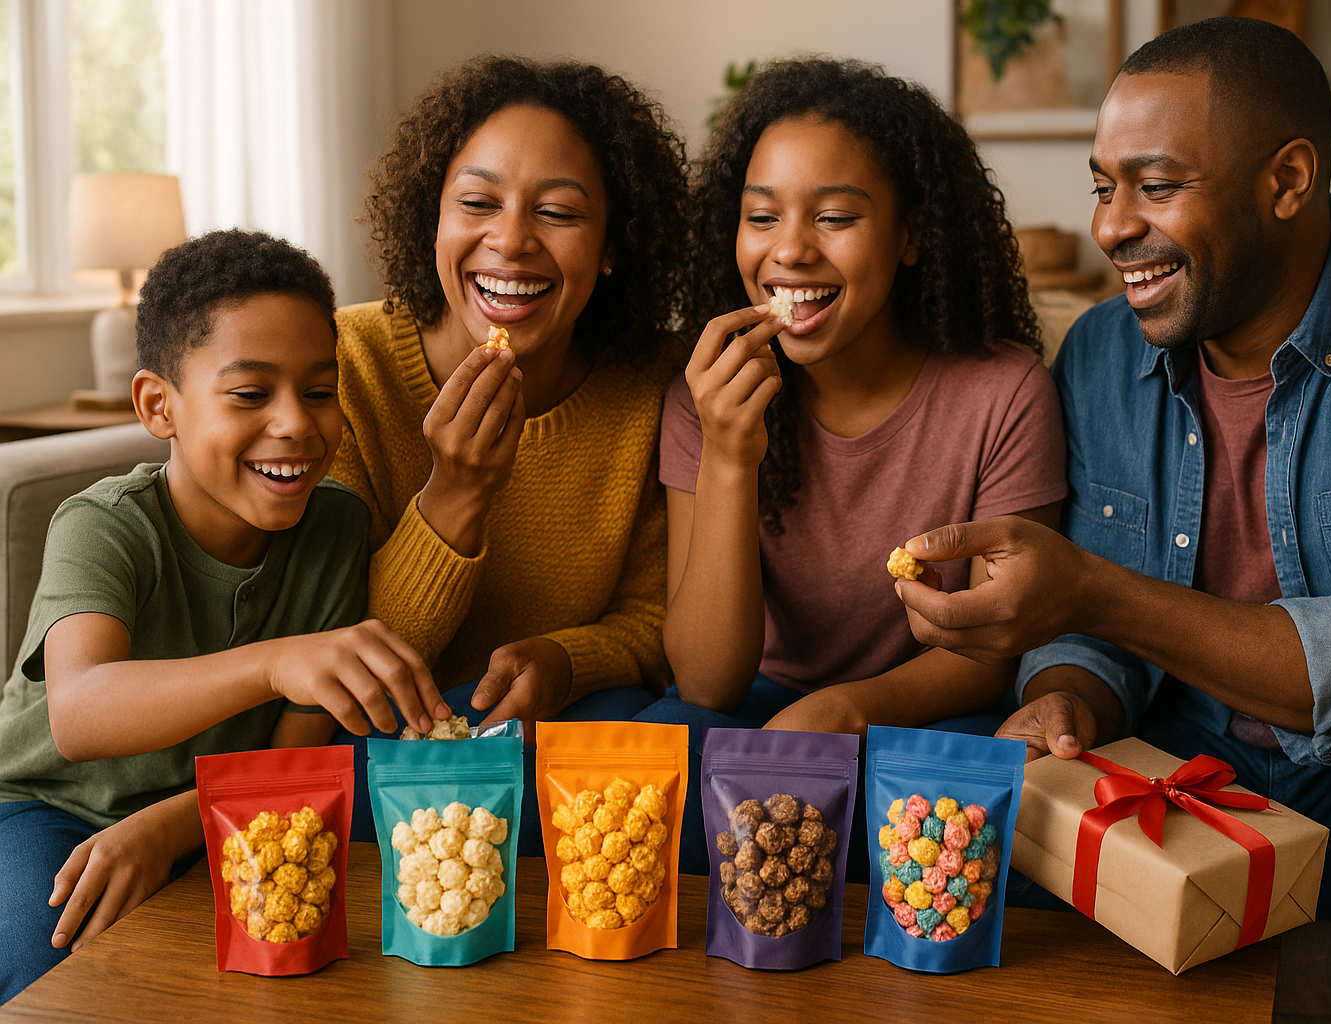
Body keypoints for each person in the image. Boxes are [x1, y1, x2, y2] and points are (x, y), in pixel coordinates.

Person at [896, 18, 1331, 1024]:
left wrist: (1094, 595)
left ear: (1287, 181)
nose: (1112, 228)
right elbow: (1089, 632)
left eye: (1155, 186)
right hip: (1185, 747)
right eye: (1103, 187)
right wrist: (1064, 694)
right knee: (992, 835)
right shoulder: (1101, 353)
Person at [637, 58, 1066, 872]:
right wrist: (728, 455)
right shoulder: (705, 393)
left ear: (910, 235)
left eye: (834, 217)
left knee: (979, 837)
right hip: (752, 708)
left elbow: (994, 645)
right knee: (641, 781)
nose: (790, 249)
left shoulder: (1003, 392)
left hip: (922, 714)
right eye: (761, 217)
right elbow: (706, 683)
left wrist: (848, 712)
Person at [0, 229, 444, 1002]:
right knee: (56, 973)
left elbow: (294, 754)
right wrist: (274, 662)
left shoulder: (334, 525)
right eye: (250, 394)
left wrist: (175, 824)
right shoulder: (103, 525)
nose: (296, 423)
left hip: (220, 808)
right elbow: (79, 712)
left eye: (319, 392)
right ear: (159, 406)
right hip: (48, 808)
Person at [330, 56, 689, 843]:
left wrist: (567, 660)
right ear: (432, 218)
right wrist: (453, 496)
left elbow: (654, 616)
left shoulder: (656, 385)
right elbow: (348, 659)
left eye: (557, 212)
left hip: (567, 730)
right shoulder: (342, 368)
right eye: (477, 203)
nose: (512, 240)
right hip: (387, 752)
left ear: (612, 244)